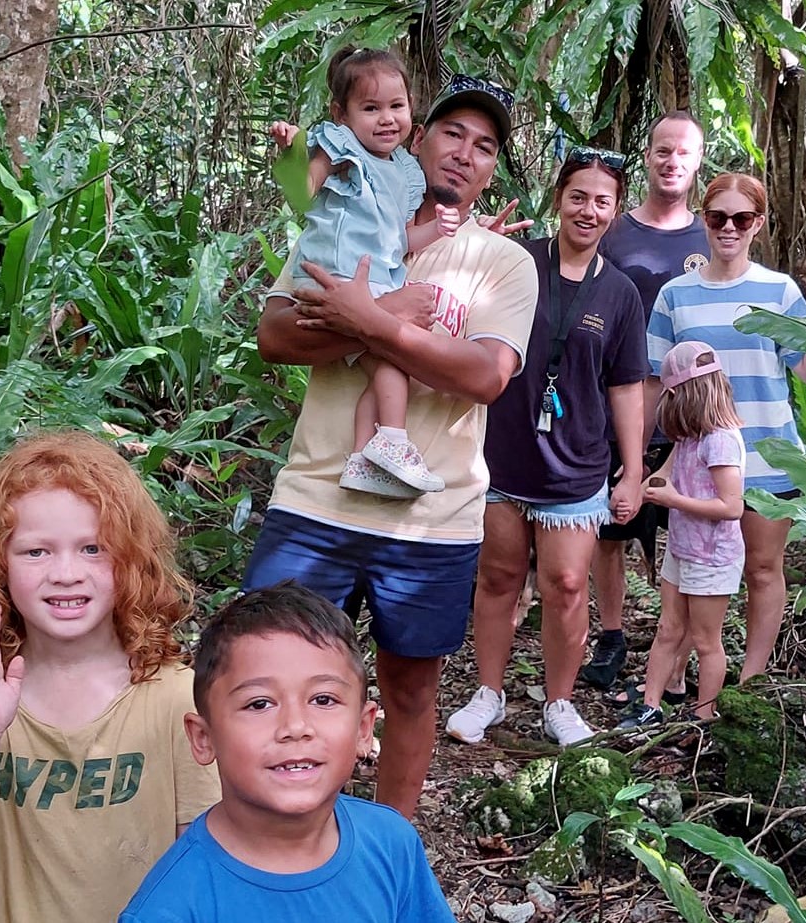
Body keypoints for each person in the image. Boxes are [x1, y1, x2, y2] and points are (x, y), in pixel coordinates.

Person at [242, 74, 539, 818]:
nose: (465, 154)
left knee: (410, 687)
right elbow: (275, 335)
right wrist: (378, 313)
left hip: (429, 519)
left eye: (484, 145)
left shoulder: (504, 262)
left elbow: (485, 374)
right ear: (416, 139)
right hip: (316, 501)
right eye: (451, 134)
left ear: (492, 166)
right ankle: (276, 837)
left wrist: (370, 323)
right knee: (273, 675)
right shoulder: (345, 215)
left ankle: (392, 846)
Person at [0, 431, 220, 923]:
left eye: (93, 548)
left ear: (130, 558)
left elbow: (205, 874)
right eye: (36, 552)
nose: (66, 572)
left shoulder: (176, 697)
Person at [445, 146, 647, 747]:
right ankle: (489, 693)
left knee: (565, 586)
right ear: (559, 198)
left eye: (602, 201)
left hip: (577, 467)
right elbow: (456, 311)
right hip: (504, 456)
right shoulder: (516, 263)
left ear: (615, 211)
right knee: (499, 576)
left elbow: (628, 386)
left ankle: (560, 702)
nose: (588, 210)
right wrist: (469, 243)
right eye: (578, 196)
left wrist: (632, 471)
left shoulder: (621, 294)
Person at [119, 581, 456, 922]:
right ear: (204, 739)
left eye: (323, 700)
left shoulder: (391, 843)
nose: (295, 726)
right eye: (259, 703)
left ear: (363, 728)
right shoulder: (172, 907)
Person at [646, 173, 806, 682]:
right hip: (699, 466)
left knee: (763, 571)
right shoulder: (676, 295)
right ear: (703, 219)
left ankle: (749, 681)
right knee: (691, 574)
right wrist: (645, 465)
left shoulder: (778, 290)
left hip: (769, 457)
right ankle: (675, 680)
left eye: (741, 219)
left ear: (757, 225)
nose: (729, 228)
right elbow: (657, 384)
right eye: (718, 217)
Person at [272, 47, 461, 497]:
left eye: (396, 106)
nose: (386, 119)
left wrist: (439, 228)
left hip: (375, 277)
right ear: (342, 113)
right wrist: (292, 151)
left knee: (383, 367)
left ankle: (363, 457)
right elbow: (301, 193)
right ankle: (392, 442)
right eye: (370, 108)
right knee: (395, 360)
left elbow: (397, 245)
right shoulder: (341, 149)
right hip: (339, 276)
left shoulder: (401, 171)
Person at [582, 110, 710, 692]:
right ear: (649, 155)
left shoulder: (710, 234)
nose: (671, 161)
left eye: (683, 152)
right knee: (611, 527)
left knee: (683, 532)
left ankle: (673, 649)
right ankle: (610, 637)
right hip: (614, 403)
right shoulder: (615, 230)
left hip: (687, 415)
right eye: (662, 150)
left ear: (696, 161)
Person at [617, 342, 745, 728]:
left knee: (706, 641)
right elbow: (665, 475)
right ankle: (651, 706)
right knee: (668, 628)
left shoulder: (721, 440)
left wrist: (674, 500)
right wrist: (634, 491)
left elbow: (732, 506)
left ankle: (702, 716)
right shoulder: (689, 438)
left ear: (687, 395)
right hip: (681, 549)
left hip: (713, 556)